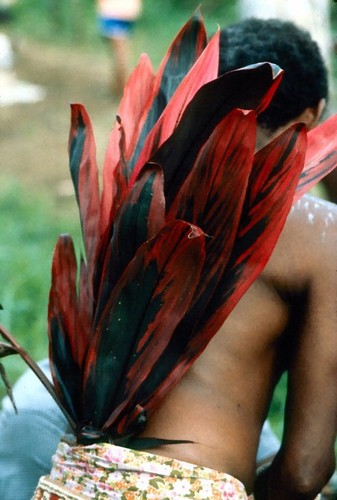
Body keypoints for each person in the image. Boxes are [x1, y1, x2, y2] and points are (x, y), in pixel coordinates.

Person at [1, 17, 337, 500]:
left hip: (77, 476)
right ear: (311, 118)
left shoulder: (146, 183)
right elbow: (306, 471)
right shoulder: (320, 231)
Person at [96, 0, 142, 96]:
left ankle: (124, 91)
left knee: (119, 53)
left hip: (112, 11)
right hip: (130, 10)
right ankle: (118, 87)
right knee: (122, 50)